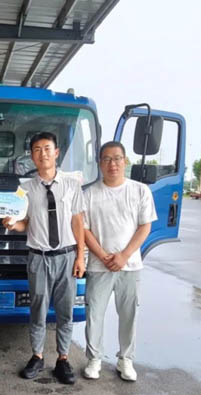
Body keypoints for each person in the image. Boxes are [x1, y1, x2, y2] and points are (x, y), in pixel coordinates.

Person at [4, 132, 85, 385]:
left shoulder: (72, 185)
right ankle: (37, 356)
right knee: (37, 308)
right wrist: (12, 223)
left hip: (66, 256)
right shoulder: (24, 189)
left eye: (47, 149)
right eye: (37, 150)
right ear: (32, 156)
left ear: (56, 152)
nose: (43, 154)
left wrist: (80, 256)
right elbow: (24, 223)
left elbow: (78, 222)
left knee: (65, 310)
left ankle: (63, 358)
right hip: (38, 258)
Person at [82, 141, 157, 382]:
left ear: (125, 161)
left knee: (128, 314)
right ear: (99, 163)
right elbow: (84, 229)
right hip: (98, 266)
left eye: (117, 158)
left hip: (130, 266)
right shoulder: (89, 194)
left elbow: (145, 227)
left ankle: (126, 359)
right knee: (94, 313)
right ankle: (94, 359)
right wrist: (103, 255)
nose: (112, 164)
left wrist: (124, 255)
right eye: (106, 159)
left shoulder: (140, 191)